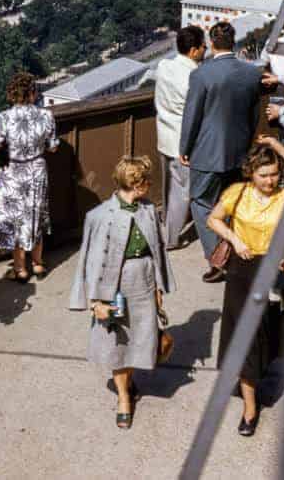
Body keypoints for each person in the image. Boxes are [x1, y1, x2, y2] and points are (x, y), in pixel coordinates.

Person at [69, 156, 175, 429]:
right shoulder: (100, 216)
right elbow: (91, 262)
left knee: (142, 339)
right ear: (137, 185)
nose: (149, 186)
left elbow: (157, 250)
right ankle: (124, 397)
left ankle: (129, 381)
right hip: (115, 286)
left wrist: (158, 289)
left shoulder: (149, 210)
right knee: (117, 345)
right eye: (146, 182)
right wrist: (95, 301)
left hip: (144, 279)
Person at [207, 145, 284, 437]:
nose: (270, 181)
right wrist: (234, 239)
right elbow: (213, 219)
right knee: (246, 338)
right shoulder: (237, 193)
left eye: (274, 174)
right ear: (251, 174)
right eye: (263, 175)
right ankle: (250, 408)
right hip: (242, 271)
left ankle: (257, 374)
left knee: (268, 331)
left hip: (274, 271)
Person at [180, 21, 263, 282]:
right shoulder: (251, 73)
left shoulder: (202, 74)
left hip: (207, 151)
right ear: (233, 42)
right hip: (239, 149)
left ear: (212, 43)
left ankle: (218, 259)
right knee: (232, 204)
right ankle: (239, 251)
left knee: (202, 202)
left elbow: (192, 115)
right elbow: (254, 115)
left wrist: (185, 147)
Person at [0, 72, 59, 282]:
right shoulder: (47, 116)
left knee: (16, 219)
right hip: (37, 170)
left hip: (13, 173)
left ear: (11, 94)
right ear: (34, 93)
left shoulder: (3, 118)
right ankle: (37, 264)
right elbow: (53, 148)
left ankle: (20, 269)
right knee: (35, 215)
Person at [154, 26, 206, 250]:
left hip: (165, 136)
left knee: (169, 191)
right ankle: (172, 239)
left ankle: (168, 226)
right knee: (181, 194)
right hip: (183, 143)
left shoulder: (164, 66)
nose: (206, 49)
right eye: (203, 46)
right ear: (194, 50)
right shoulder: (195, 78)